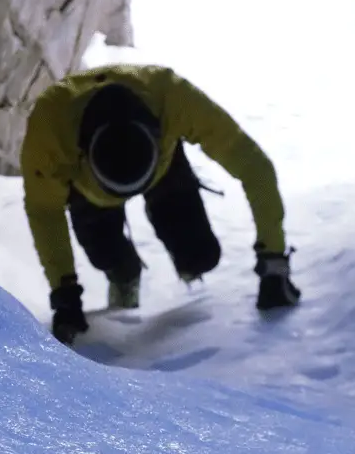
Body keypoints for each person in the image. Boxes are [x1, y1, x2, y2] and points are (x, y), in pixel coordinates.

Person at [21, 63, 300, 345]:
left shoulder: (171, 97)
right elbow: (45, 213)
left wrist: (274, 260)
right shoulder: (49, 128)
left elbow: (254, 166)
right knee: (108, 257)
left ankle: (172, 258)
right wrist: (64, 290)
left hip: (162, 171)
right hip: (89, 190)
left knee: (201, 256)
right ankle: (125, 275)